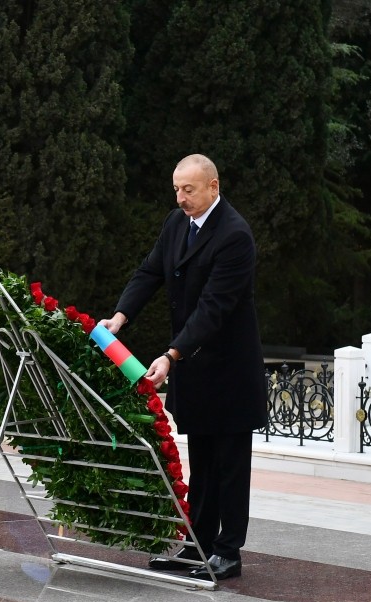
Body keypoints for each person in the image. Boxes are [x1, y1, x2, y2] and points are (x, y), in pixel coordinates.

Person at [99, 154, 267, 580]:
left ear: (213, 186)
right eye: (176, 189)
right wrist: (120, 318)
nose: (181, 197)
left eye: (189, 189)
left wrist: (171, 355)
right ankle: (199, 546)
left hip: (228, 371)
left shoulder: (235, 235)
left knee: (229, 463)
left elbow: (214, 308)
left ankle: (228, 552)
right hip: (197, 368)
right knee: (203, 462)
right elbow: (150, 271)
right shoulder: (177, 223)